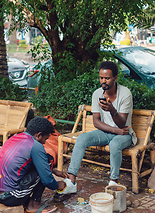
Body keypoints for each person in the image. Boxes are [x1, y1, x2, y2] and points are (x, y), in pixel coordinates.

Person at [58, 61, 137, 196]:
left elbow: (122, 125)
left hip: (124, 135)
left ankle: (113, 182)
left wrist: (112, 110)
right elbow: (96, 122)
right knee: (82, 138)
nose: (103, 81)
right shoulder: (97, 94)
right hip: (107, 132)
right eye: (101, 78)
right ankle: (71, 181)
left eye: (107, 78)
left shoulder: (125, 93)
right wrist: (115, 131)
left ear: (115, 78)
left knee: (115, 144)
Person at [0, 117, 73, 213]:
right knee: (48, 160)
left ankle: (27, 200)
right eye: (45, 139)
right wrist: (57, 185)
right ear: (38, 135)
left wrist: (54, 170)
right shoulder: (35, 145)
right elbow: (47, 179)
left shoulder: (16, 137)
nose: (45, 142)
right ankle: (34, 205)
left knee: (43, 162)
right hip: (10, 197)